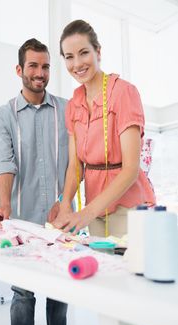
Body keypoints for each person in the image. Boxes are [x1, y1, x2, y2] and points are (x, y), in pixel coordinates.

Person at [0, 38, 68, 325]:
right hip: (22, 219)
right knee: (23, 292)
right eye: (33, 65)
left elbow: (76, 160)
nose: (40, 72)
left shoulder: (66, 110)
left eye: (46, 66)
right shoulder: (2, 116)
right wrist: (4, 203)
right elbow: (3, 161)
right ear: (19, 69)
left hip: (61, 220)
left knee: (60, 291)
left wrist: (68, 202)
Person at [51, 19, 156, 237]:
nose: (77, 64)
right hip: (94, 212)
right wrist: (65, 205)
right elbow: (75, 166)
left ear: (98, 52)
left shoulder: (123, 93)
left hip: (129, 207)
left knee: (128, 268)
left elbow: (131, 169)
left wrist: (85, 214)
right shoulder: (73, 105)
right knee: (101, 269)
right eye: (69, 57)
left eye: (83, 53)